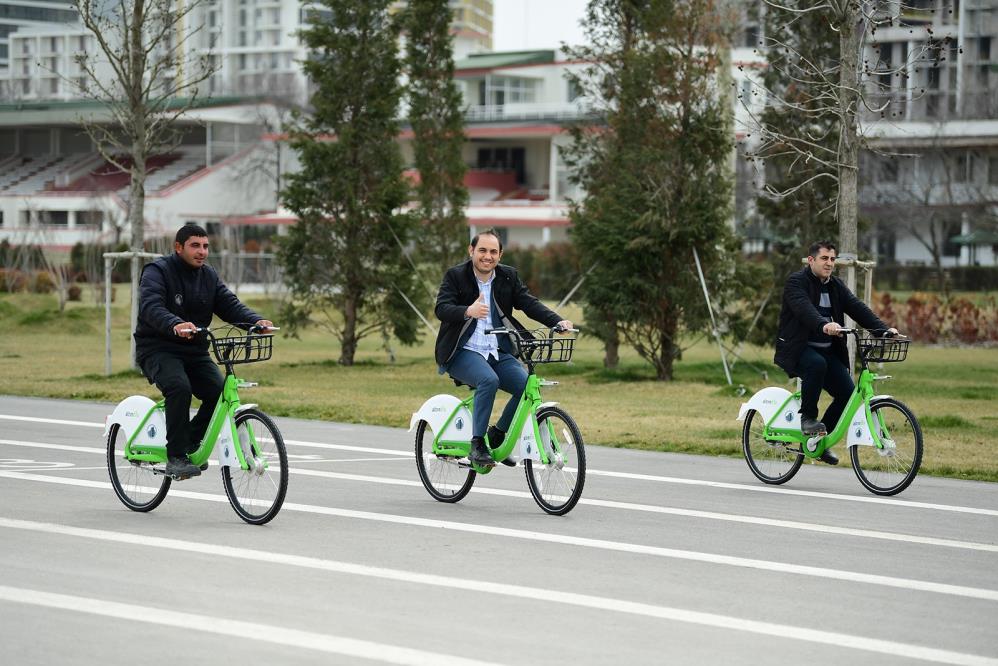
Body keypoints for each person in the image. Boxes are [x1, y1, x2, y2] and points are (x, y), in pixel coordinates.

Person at [134, 224, 273, 478]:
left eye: (206, 246)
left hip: (194, 349)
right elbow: (150, 306)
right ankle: (176, 456)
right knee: (179, 387)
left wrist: (256, 321)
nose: (202, 252)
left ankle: (188, 442)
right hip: (158, 348)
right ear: (178, 247)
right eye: (195, 245)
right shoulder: (158, 271)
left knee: (219, 393)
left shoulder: (208, 275)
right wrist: (174, 323)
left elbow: (229, 305)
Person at [434, 229, 572, 468]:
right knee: (488, 380)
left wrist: (556, 321)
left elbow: (528, 303)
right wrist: (467, 311)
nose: (488, 256)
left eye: (493, 251)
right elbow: (442, 308)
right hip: (462, 351)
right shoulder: (456, 275)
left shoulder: (507, 276)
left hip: (497, 351)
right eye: (482, 251)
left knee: (526, 388)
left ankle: (497, 435)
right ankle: (477, 445)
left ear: (500, 254)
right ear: (471, 251)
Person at [774, 240, 899, 465]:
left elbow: (856, 307)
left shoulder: (835, 285)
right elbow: (804, 309)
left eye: (832, 259)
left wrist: (883, 330)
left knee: (848, 395)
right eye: (824, 258)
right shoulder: (796, 282)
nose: (829, 263)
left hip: (825, 350)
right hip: (797, 348)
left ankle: (820, 443)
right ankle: (808, 419)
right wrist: (823, 324)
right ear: (811, 260)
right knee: (816, 365)